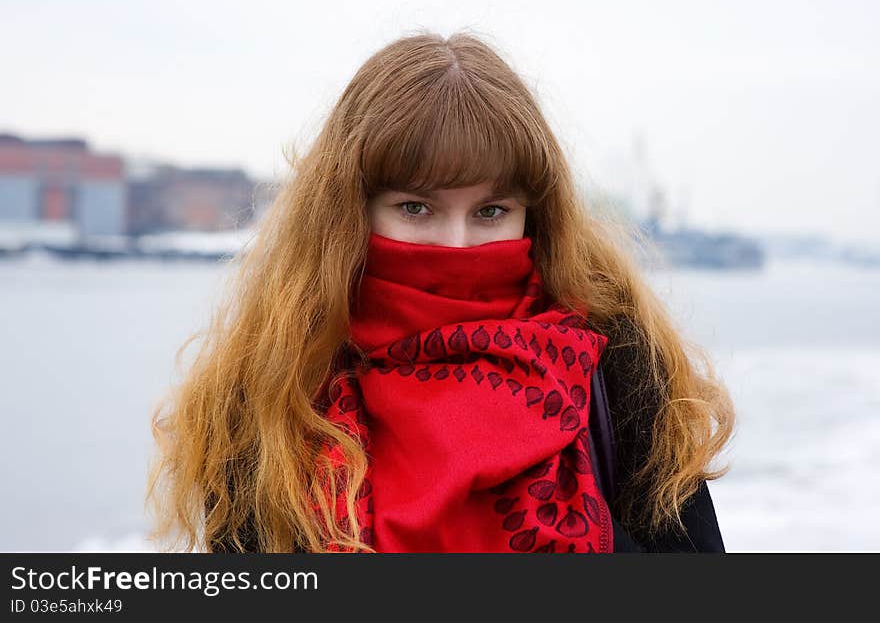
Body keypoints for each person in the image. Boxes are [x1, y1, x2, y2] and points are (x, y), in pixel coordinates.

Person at [146, 30, 735, 553]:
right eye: (416, 207)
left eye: (491, 211)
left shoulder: (617, 361)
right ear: (350, 213)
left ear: (534, 216)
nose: (455, 247)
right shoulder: (279, 386)